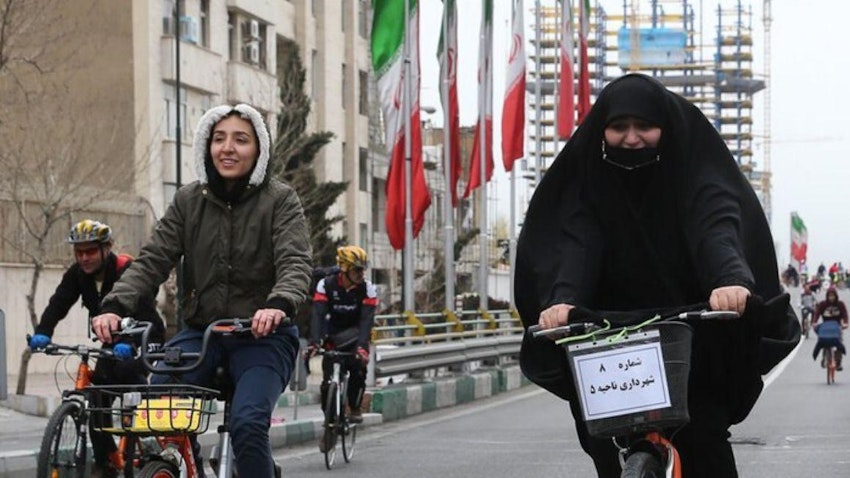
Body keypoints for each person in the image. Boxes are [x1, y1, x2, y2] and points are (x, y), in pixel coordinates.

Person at [515, 74, 800, 478]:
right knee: (606, 444)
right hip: (606, 337)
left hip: (692, 333)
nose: (632, 138)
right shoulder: (588, 179)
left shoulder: (694, 170)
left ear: (664, 128)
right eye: (618, 128)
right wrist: (562, 300)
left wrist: (730, 280)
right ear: (602, 131)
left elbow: (715, 225)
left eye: (644, 127)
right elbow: (575, 242)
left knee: (704, 441)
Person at [90, 104, 313, 477]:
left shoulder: (280, 200)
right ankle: (189, 464)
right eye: (218, 138)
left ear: (259, 150)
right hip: (202, 333)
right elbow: (151, 261)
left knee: (247, 425)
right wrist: (114, 305)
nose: (228, 148)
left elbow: (295, 262)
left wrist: (278, 304)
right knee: (159, 408)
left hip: (263, 335)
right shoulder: (188, 201)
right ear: (206, 146)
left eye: (241, 140)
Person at [29, 219, 166, 478]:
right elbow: (58, 304)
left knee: (128, 376)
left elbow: (145, 313)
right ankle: (106, 462)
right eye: (78, 252)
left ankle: (149, 442)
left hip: (145, 334)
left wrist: (129, 342)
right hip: (112, 340)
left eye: (90, 251)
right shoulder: (77, 275)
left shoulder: (127, 270)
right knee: (97, 398)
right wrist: (43, 333)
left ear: (107, 248)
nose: (84, 258)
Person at [309, 245, 378, 436]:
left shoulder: (368, 289)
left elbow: (366, 321)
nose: (361, 273)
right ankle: (329, 424)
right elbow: (318, 315)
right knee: (327, 382)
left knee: (358, 369)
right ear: (344, 268)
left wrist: (363, 348)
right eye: (357, 269)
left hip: (356, 335)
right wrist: (314, 342)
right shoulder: (326, 285)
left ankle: (355, 406)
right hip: (333, 335)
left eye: (363, 269)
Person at [812, 286, 849, 370]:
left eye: (833, 296)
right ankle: (824, 357)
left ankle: (838, 363)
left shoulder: (840, 304)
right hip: (826, 327)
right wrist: (814, 322)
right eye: (829, 296)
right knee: (823, 340)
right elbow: (817, 314)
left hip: (837, 327)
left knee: (839, 343)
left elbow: (845, 315)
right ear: (827, 296)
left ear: (836, 296)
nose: (831, 298)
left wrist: (845, 323)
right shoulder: (822, 304)